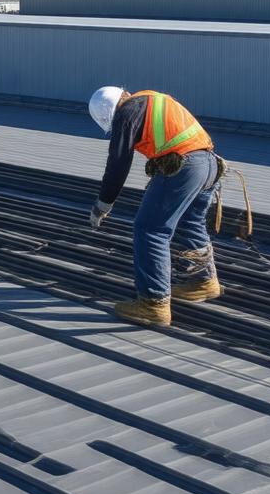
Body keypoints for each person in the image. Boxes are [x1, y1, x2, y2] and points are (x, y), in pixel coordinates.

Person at [88, 86, 222, 327]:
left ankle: (153, 303)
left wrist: (103, 203)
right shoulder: (150, 100)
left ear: (109, 113)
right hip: (209, 163)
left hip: (185, 165)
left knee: (150, 230)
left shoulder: (126, 112)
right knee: (190, 221)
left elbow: (119, 161)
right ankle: (204, 282)